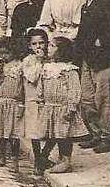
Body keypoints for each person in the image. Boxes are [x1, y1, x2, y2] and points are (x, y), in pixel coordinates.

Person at [75, 0, 110, 154]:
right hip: (88, 57)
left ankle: (107, 138)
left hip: (102, 59)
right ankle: (95, 133)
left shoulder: (106, 4)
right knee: (87, 99)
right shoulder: (85, 5)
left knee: (104, 99)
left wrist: (102, 42)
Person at [37, 36, 90, 174]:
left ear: (62, 51)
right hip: (50, 107)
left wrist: (71, 107)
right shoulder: (47, 68)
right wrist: (41, 100)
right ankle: (54, 157)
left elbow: (74, 89)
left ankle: (66, 160)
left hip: (63, 108)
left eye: (52, 46)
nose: (47, 48)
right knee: (53, 134)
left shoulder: (69, 70)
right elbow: (42, 85)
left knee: (64, 136)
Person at [0, 37, 26, 167]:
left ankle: (14, 158)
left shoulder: (21, 66)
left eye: (7, 53)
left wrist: (22, 104)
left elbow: (23, 86)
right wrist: (0, 68)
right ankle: (1, 156)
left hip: (14, 103)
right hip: (0, 103)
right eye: (1, 53)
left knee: (14, 134)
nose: (4, 56)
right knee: (0, 133)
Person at [23, 28, 50, 174]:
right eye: (35, 44)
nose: (38, 47)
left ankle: (44, 155)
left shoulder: (51, 58)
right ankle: (38, 159)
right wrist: (39, 61)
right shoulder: (27, 61)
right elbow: (31, 78)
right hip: (33, 99)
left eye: (41, 43)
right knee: (35, 131)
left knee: (50, 130)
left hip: (48, 100)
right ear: (29, 46)